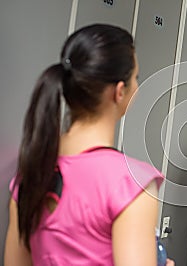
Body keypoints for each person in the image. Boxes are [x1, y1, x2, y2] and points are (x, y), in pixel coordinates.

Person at [4, 24, 174, 266]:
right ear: (119, 91)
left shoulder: (30, 176)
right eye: (135, 77)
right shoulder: (131, 184)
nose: (137, 85)